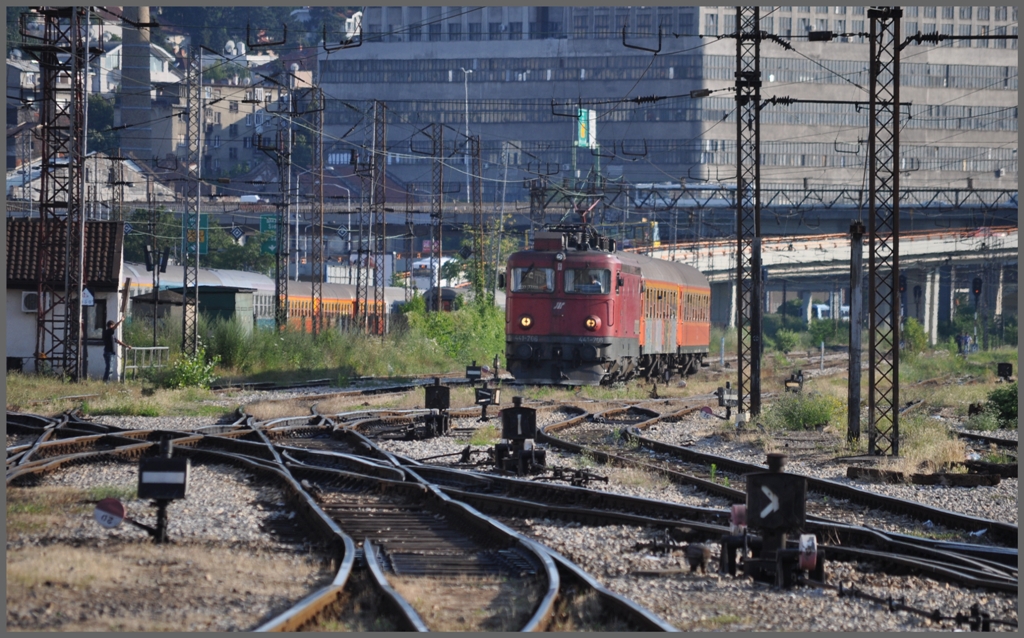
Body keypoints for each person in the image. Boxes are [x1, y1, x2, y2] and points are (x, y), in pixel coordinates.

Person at [102, 318, 131, 382]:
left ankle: (105, 381)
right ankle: (106, 382)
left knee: (109, 368)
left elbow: (118, 341)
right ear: (110, 325)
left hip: (111, 353)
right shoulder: (107, 332)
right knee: (109, 369)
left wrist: (126, 346)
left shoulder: (111, 335)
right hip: (108, 353)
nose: (114, 327)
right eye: (113, 325)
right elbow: (114, 327)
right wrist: (121, 321)